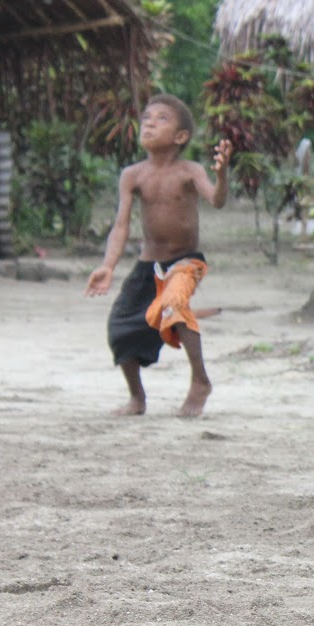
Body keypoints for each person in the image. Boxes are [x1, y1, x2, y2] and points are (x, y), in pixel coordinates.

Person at [85, 94, 232, 418]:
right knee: (120, 327)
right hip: (147, 266)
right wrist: (108, 266)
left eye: (161, 118)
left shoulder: (189, 170)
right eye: (147, 117)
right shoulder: (133, 175)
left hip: (185, 262)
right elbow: (121, 225)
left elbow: (217, 200)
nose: (149, 122)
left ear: (181, 137)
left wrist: (221, 176)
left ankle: (200, 380)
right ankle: (137, 398)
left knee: (174, 305)